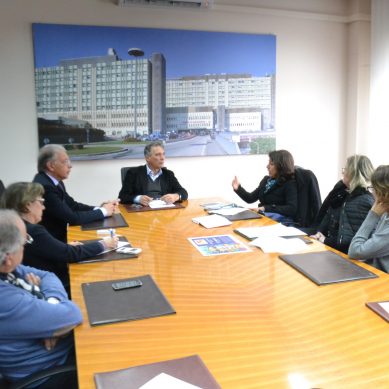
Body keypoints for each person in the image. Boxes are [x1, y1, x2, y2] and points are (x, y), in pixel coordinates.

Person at [0, 209, 82, 388]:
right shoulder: (5, 299)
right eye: (24, 242)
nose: (26, 246)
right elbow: (73, 315)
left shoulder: (8, 270)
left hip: (58, 352)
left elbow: (48, 276)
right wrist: (55, 319)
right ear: (8, 258)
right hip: (46, 373)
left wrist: (49, 303)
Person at [1, 182, 118, 291]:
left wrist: (62, 247)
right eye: (41, 202)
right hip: (56, 283)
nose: (44, 207)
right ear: (27, 205)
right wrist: (104, 244)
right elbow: (71, 254)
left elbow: (46, 250)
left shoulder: (13, 227)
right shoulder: (32, 230)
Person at [33, 144, 119, 242]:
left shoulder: (54, 181)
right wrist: (103, 212)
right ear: (51, 166)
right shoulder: (46, 187)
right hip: (52, 243)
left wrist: (101, 208)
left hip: (59, 239)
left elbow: (73, 205)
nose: (70, 165)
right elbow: (72, 218)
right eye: (65, 161)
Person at [311, 155, 374, 254]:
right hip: (331, 249)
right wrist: (319, 233)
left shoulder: (364, 201)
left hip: (344, 257)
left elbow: (353, 240)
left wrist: (325, 240)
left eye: (345, 169)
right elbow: (328, 216)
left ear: (354, 173)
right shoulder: (344, 193)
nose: (343, 172)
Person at [232, 149, 298, 223]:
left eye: (271, 164)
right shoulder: (266, 180)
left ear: (281, 166)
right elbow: (250, 198)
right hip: (264, 217)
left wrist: (265, 208)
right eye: (268, 163)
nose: (267, 166)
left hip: (281, 221)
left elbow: (291, 208)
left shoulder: (290, 183)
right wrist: (238, 188)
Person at [118, 141, 188, 205]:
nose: (162, 158)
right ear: (147, 158)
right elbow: (122, 196)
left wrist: (175, 196)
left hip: (164, 212)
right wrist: (138, 199)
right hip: (143, 212)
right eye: (158, 155)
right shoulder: (133, 173)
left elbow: (183, 192)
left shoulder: (168, 174)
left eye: (163, 154)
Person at [348, 165, 389, 272]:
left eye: (373, 189)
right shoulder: (385, 214)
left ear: (383, 192)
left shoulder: (380, 214)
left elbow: (354, 251)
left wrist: (372, 215)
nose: (372, 193)